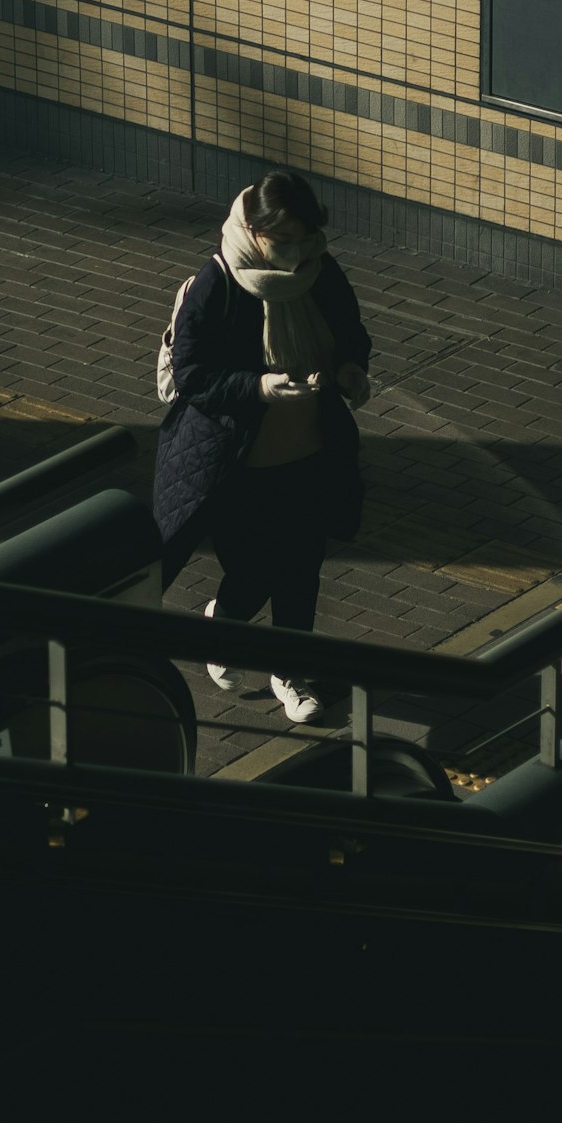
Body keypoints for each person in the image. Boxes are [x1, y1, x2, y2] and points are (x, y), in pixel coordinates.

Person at [153, 170, 372, 723]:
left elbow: (350, 330)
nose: (296, 253)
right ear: (253, 229)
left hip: (309, 451)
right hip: (235, 463)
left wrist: (350, 370)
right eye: (284, 241)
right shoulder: (218, 284)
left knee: (301, 567)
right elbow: (193, 375)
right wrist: (257, 387)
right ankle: (225, 622)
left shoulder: (318, 269)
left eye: (304, 238)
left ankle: (290, 672)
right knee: (253, 570)